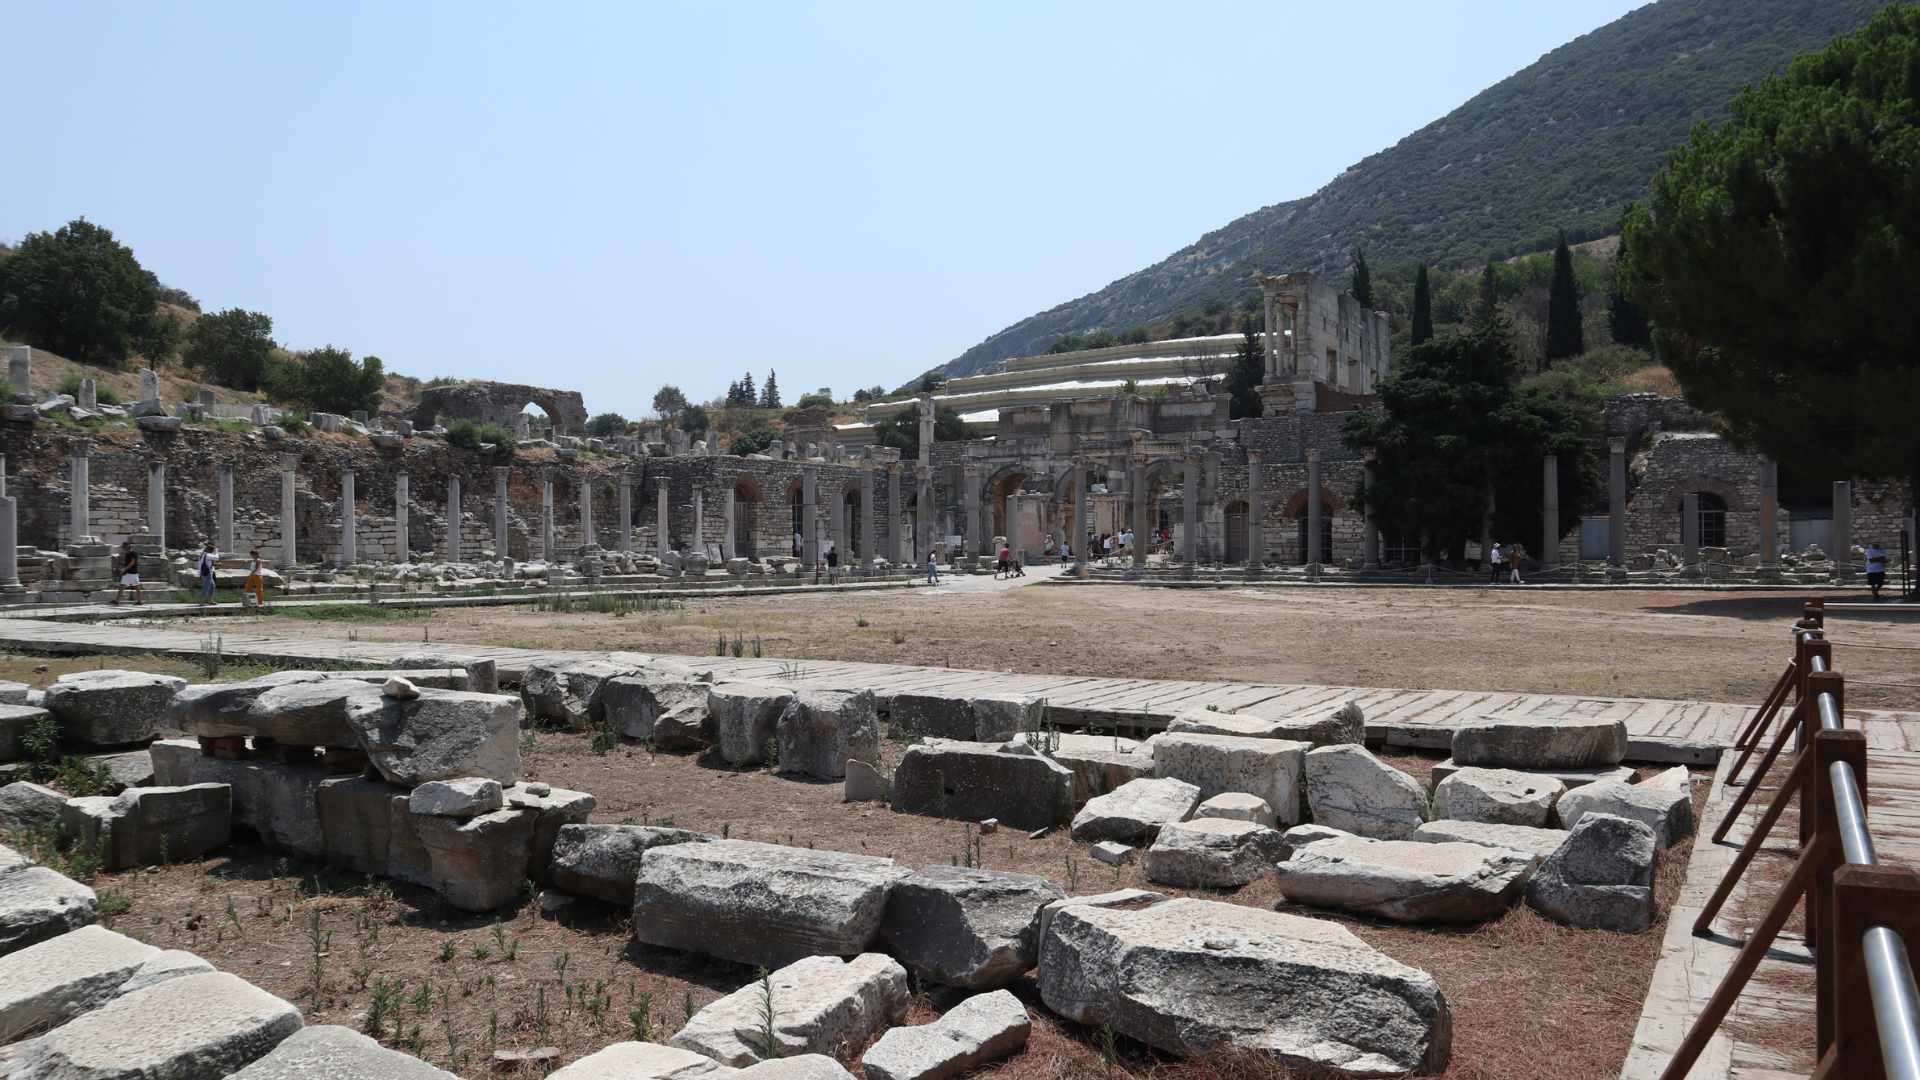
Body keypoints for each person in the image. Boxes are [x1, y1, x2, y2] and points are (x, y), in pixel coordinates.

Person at [111, 539, 141, 605]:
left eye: (124, 547)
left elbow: (132, 563)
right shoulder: (127, 554)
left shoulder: (133, 553)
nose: (123, 549)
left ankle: (139, 601)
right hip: (128, 573)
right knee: (123, 587)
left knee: (136, 587)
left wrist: (124, 569)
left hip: (132, 573)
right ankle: (117, 601)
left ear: (127, 547)